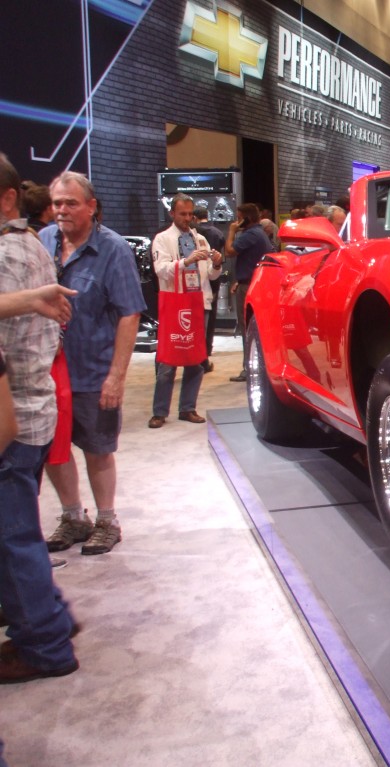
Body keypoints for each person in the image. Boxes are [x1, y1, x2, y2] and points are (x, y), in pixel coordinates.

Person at [38, 171, 146, 556]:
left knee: (98, 449)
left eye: (70, 203)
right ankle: (72, 516)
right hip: (47, 370)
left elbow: (129, 314)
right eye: (57, 203)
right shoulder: (43, 241)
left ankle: (106, 520)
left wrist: (116, 376)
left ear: (91, 206)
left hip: (92, 369)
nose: (62, 210)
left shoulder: (113, 249)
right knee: (54, 448)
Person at [0, 152, 78, 683]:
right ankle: (49, 618)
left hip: (13, 414)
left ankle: (45, 643)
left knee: (13, 538)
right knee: (17, 531)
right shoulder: (32, 244)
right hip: (30, 407)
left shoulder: (8, 252)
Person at [148, 194, 223, 428]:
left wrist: (217, 264)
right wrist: (187, 261)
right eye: (183, 214)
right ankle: (160, 411)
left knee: (196, 359)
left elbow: (211, 274)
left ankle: (188, 408)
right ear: (172, 214)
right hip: (174, 304)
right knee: (168, 360)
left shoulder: (200, 239)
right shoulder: (162, 239)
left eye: (191, 214)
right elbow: (161, 270)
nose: (188, 219)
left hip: (198, 303)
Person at [225, 203, 273, 381]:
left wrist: (231, 231)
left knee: (247, 327)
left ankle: (248, 368)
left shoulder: (251, 234)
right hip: (251, 282)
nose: (236, 222)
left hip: (249, 287)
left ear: (247, 218)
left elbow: (229, 251)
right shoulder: (259, 233)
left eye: (239, 218)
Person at [192, 204, 225, 373]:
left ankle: (202, 359)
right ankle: (205, 352)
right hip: (183, 295)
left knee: (203, 326)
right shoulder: (218, 232)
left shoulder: (202, 240)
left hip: (204, 287)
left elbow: (212, 269)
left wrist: (217, 264)